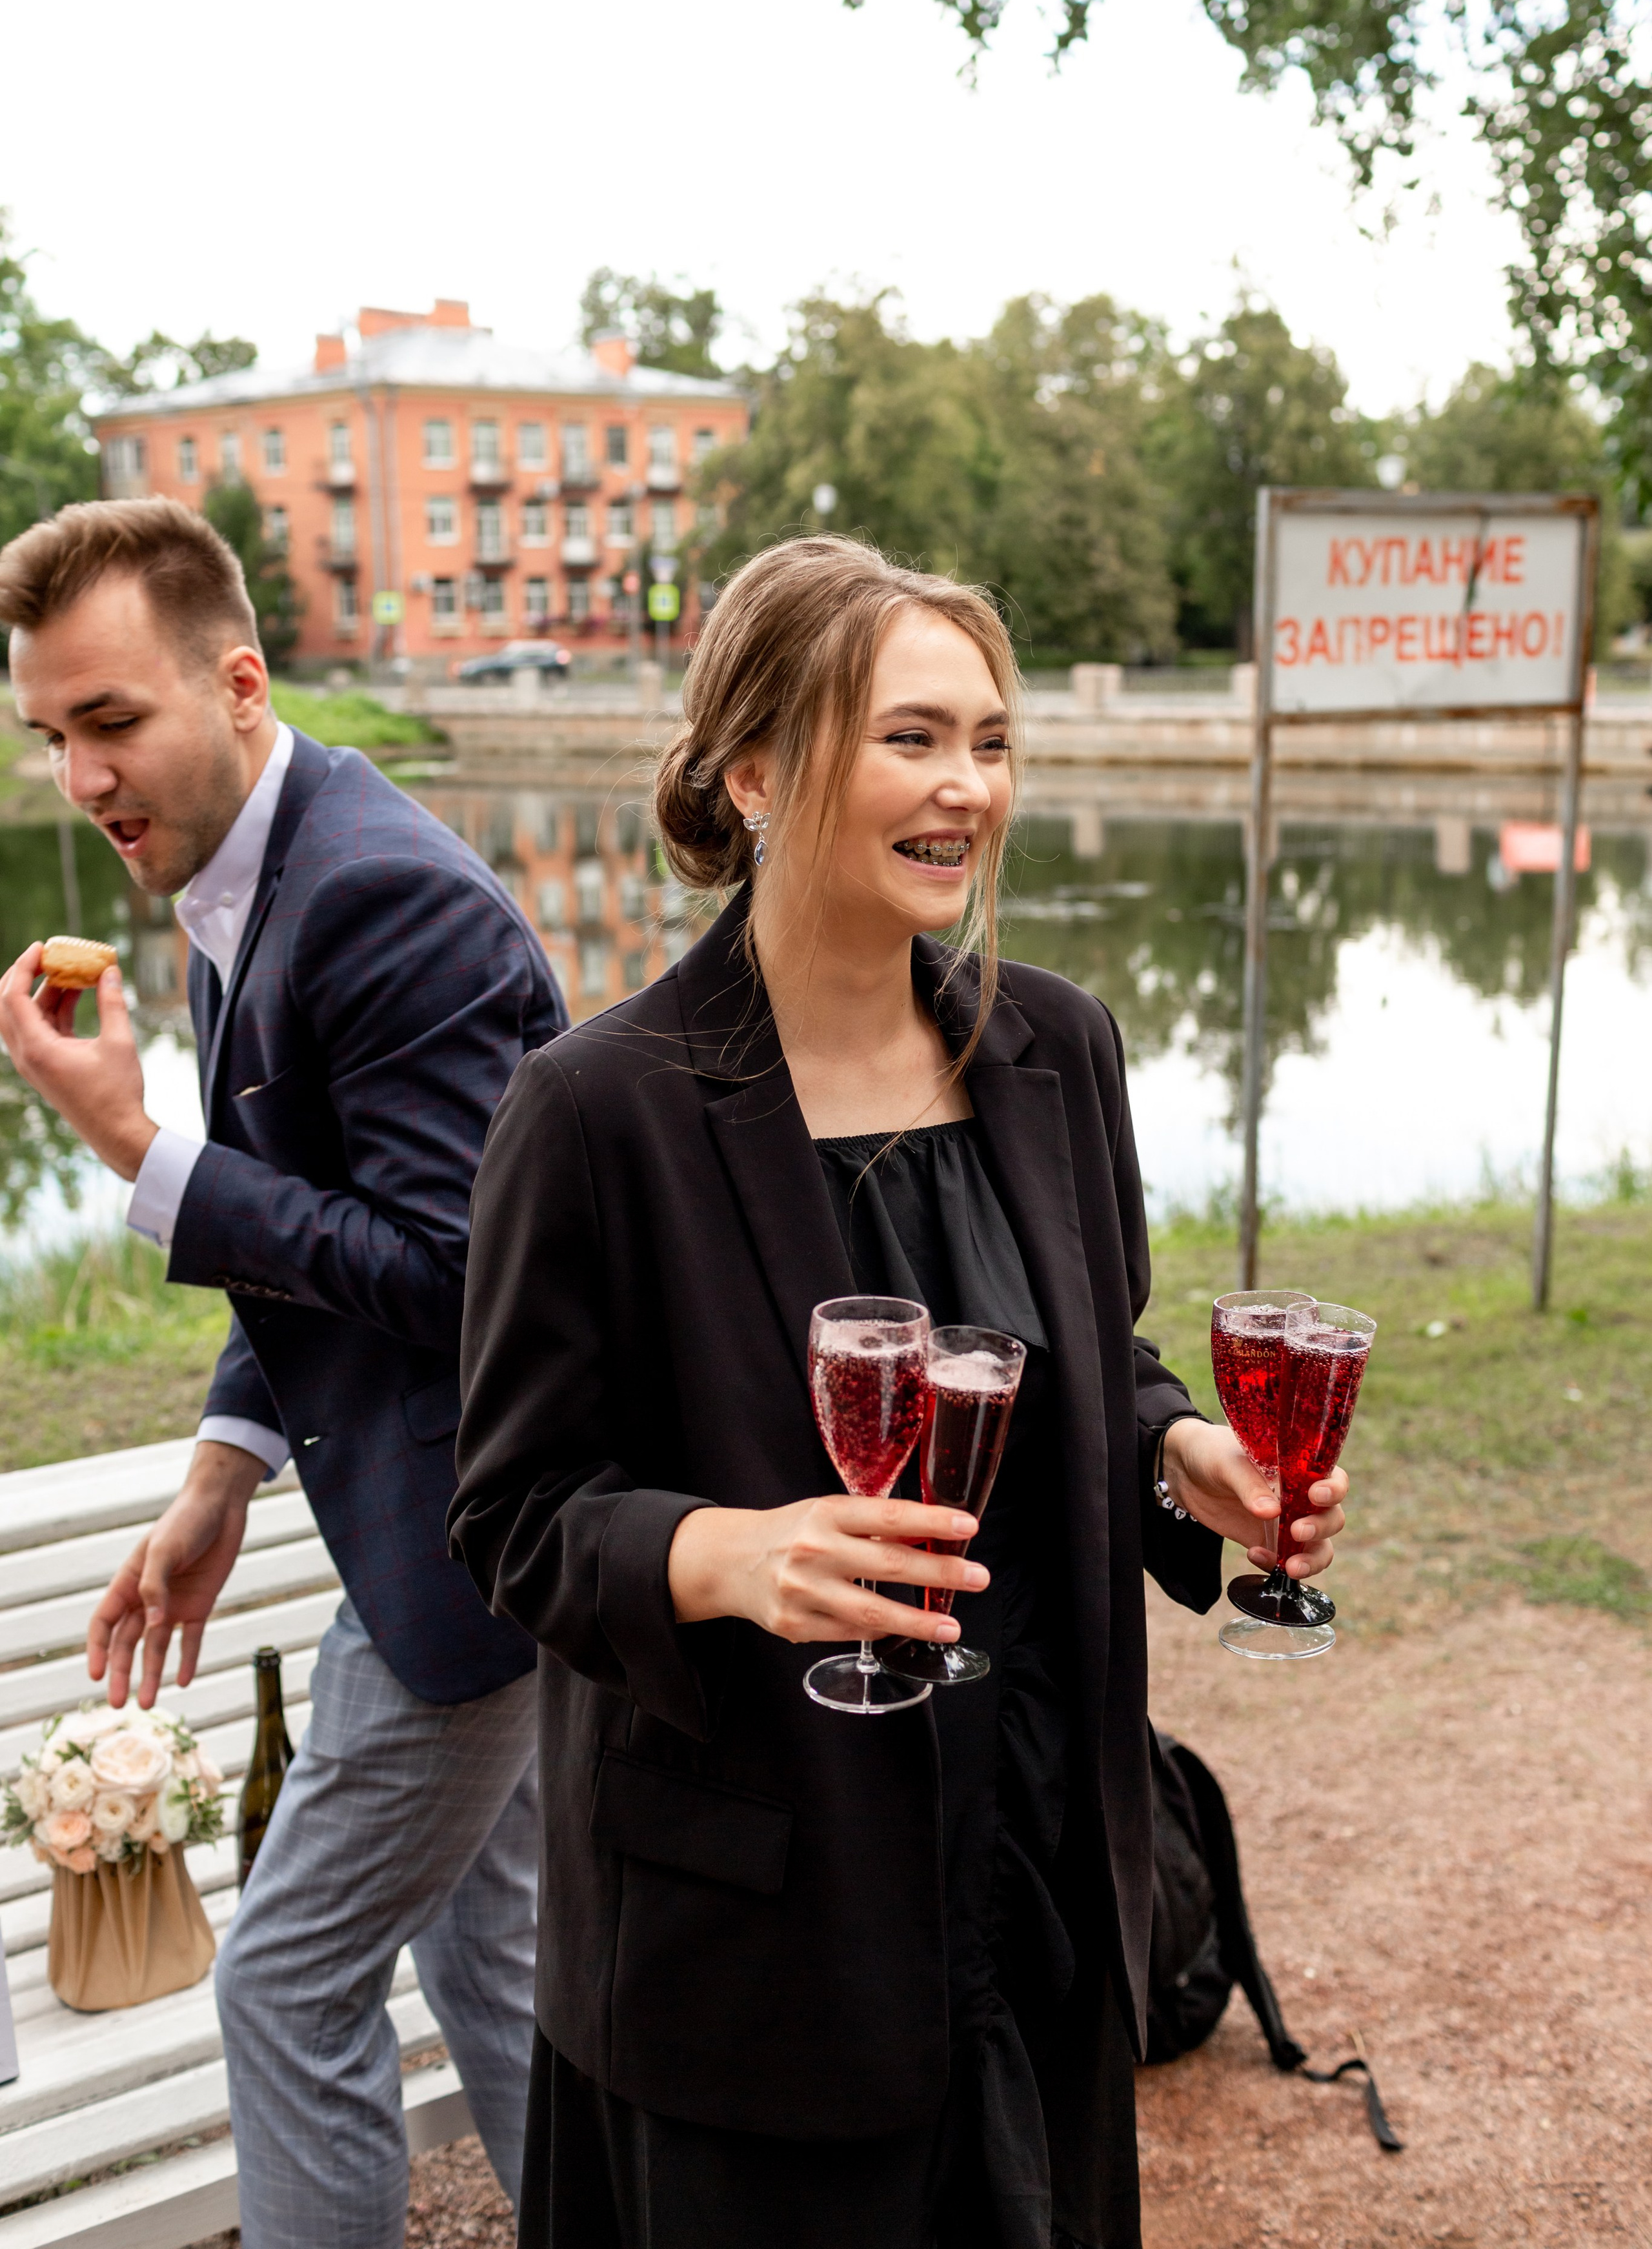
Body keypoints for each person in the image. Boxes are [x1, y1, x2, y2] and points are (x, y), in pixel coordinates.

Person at [449, 536, 1350, 2249]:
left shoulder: (1058, 1049)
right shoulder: (594, 1111)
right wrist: (723, 1555)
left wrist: (1183, 1457)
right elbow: (509, 1513)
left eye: (991, 741)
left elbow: (1099, 1353)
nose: (967, 789)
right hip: (756, 1942)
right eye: (910, 738)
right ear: (760, 769)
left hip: (1034, 1872)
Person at [0, 497, 567, 2249]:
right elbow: (316, 1219)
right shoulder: (237, 878)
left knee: (285, 1984)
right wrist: (217, 1475)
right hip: (440, 1520)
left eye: (115, 723)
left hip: (476, 1553)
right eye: (49, 737)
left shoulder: (380, 895)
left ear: (238, 684)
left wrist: (140, 1154)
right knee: (501, 1959)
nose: (85, 779)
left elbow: (468, 1278)